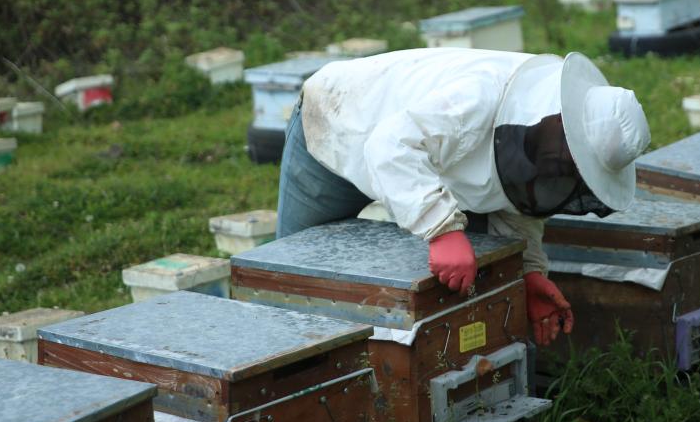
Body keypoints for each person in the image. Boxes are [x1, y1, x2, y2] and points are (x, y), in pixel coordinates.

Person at [275, 47, 650, 345]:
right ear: (559, 122)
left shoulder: (541, 140)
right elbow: (389, 147)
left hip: (422, 155)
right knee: (289, 285)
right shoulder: (479, 97)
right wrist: (442, 230)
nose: (564, 170)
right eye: (569, 160)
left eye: (575, 169)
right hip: (341, 123)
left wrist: (530, 271)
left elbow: (519, 204)